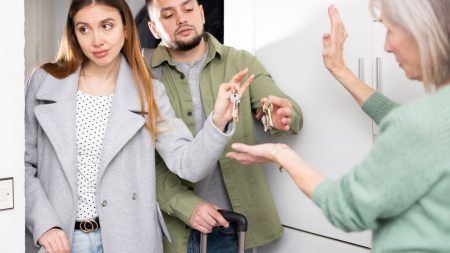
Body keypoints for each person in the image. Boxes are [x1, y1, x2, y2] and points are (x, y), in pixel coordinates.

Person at [24, 0, 253, 252]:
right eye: (84, 29)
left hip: (128, 237)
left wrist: (219, 120)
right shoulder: (44, 82)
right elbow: (22, 164)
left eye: (106, 26)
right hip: (62, 239)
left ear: (125, 28)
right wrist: (44, 224)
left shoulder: (149, 91)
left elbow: (188, 164)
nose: (96, 40)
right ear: (73, 33)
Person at [227, 1, 450, 252]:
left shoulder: (418, 123)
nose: (386, 46)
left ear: (421, 30)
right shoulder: (433, 118)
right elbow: (406, 122)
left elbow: (346, 208)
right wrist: (339, 69)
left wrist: (281, 153)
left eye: (390, 30)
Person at [145, 0, 303, 252]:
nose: (181, 19)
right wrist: (184, 205)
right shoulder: (141, 74)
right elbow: (137, 163)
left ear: (202, 13)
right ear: (154, 28)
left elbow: (283, 110)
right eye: (168, 14)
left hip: (231, 228)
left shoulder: (240, 61)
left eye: (188, 9)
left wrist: (281, 115)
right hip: (170, 232)